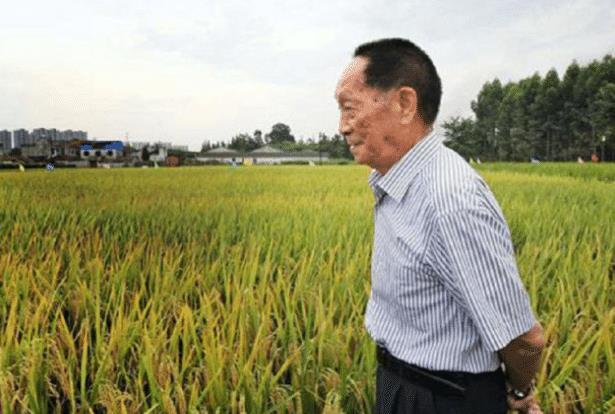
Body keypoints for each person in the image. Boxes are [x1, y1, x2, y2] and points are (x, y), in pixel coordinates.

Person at [334, 38, 546, 414]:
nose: (342, 127)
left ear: (404, 104)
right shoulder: (397, 182)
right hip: (400, 383)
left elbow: (523, 339)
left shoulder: (450, 200)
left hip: (446, 398)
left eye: (350, 108)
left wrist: (519, 390)